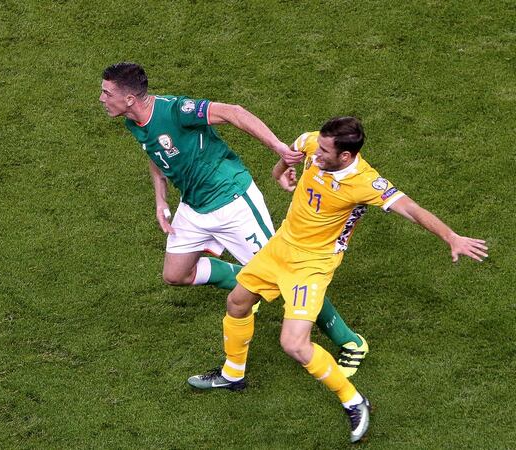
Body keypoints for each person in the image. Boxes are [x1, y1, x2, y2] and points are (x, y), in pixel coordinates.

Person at [187, 116, 488, 443]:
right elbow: (294, 151)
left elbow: (412, 209)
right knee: (237, 301)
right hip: (281, 246)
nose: (317, 153)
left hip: (312, 264)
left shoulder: (364, 182)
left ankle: (354, 401)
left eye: (325, 151)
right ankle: (233, 374)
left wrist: (451, 237)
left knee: (293, 343)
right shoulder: (314, 142)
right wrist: (279, 172)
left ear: (345, 156)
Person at [99, 62, 369, 377]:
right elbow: (155, 154)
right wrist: (161, 198)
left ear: (130, 98)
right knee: (176, 273)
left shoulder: (176, 111)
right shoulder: (133, 121)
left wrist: (279, 147)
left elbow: (234, 112)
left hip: (233, 202)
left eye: (107, 93)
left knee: (291, 278)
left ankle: (351, 341)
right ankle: (248, 282)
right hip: (194, 205)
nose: (102, 99)